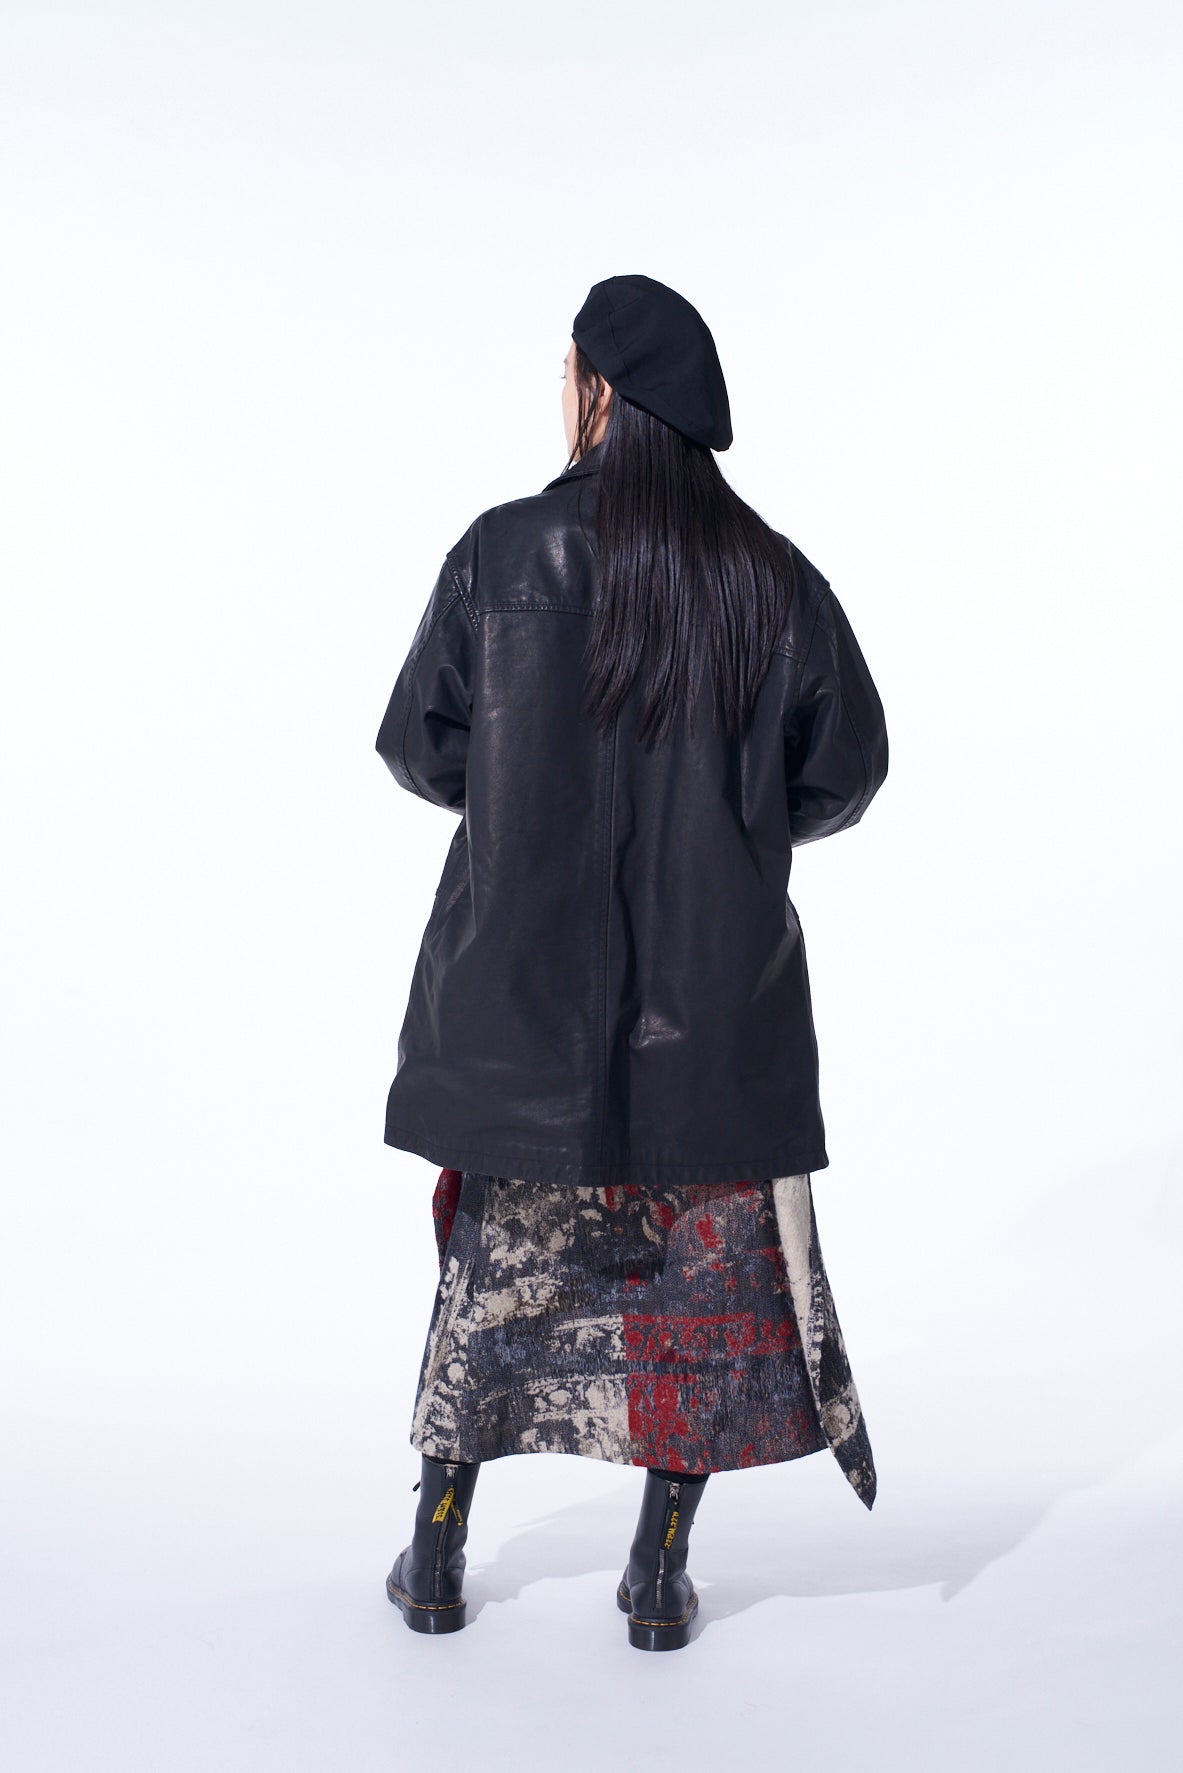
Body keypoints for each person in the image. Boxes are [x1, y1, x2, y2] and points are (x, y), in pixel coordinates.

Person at [374, 274, 889, 1650]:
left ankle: (436, 1554)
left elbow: (419, 744)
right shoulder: (772, 578)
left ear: (598, 392)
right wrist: (730, 819)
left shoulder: (503, 554)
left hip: (519, 1021)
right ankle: (658, 1575)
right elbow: (845, 772)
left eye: (567, 374)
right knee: (690, 1313)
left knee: (492, 1289)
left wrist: (523, 790)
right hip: (718, 1026)